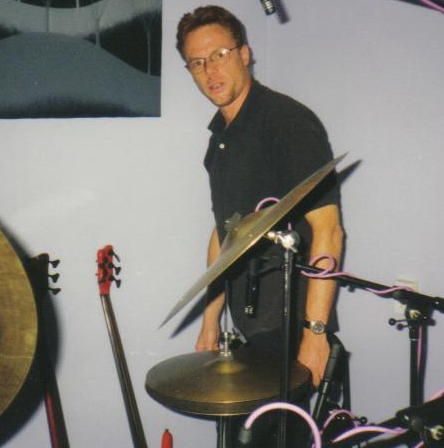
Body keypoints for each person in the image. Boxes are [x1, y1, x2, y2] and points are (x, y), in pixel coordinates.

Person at [176, 5, 344, 446]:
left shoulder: (287, 122)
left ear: (245, 53)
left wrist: (315, 334)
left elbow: (329, 231)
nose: (210, 71)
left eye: (219, 55)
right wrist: (210, 318)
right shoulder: (221, 138)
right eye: (197, 62)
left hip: (291, 326)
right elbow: (224, 233)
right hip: (251, 329)